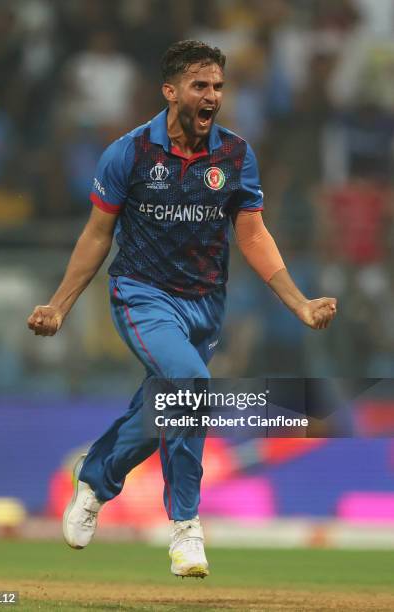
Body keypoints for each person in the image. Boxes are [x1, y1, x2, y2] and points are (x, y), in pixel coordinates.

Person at [27, 40, 337, 578]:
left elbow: (254, 234)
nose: (212, 95)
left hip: (205, 306)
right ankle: (187, 528)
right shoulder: (129, 153)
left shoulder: (235, 155)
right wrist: (59, 305)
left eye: (218, 86)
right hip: (142, 295)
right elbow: (98, 235)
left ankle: (96, 477)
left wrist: (300, 304)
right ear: (171, 92)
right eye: (200, 85)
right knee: (191, 385)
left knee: (172, 404)